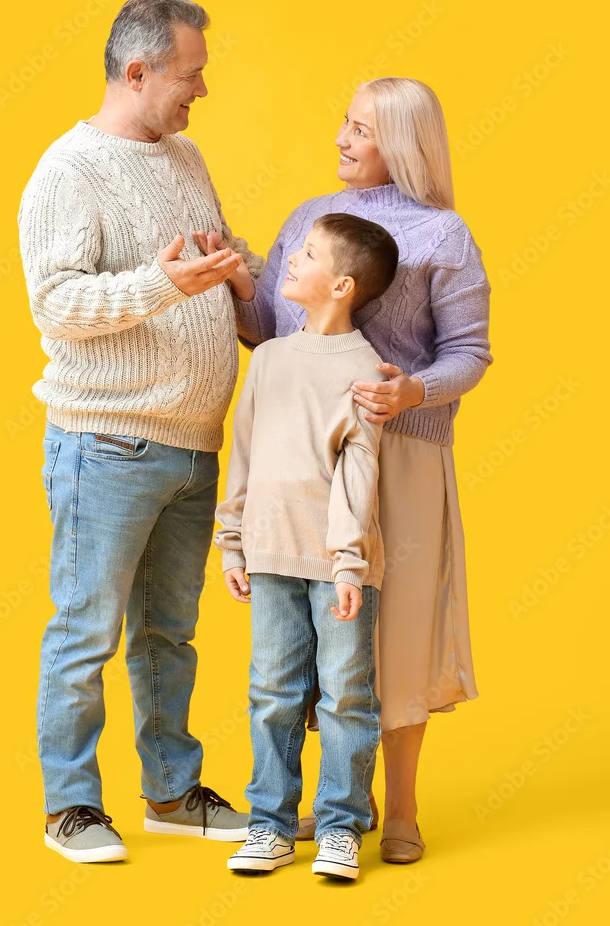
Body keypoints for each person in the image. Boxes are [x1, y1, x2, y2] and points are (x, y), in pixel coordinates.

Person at [200, 76, 492, 862]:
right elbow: (273, 331)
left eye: (361, 129)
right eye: (345, 121)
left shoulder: (444, 236)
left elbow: (469, 353)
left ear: (401, 142)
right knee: (308, 636)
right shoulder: (309, 219)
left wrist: (411, 391)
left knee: (395, 634)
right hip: (304, 457)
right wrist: (240, 283)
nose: (341, 137)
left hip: (405, 457)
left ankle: (399, 809)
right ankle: (333, 806)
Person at [17, 0, 268, 863]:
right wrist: (165, 285)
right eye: (189, 75)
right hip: (108, 444)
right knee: (86, 631)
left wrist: (251, 281)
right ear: (136, 71)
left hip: (195, 444)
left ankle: (170, 793)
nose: (201, 90)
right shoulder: (67, 171)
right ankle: (70, 809)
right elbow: (56, 304)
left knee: (169, 635)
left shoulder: (184, 156)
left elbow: (219, 253)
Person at [214, 213, 399, 881]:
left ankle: (340, 828)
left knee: (346, 696)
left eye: (310, 253)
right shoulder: (268, 359)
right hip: (269, 555)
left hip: (338, 565)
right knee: (272, 692)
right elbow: (243, 454)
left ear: (342, 285)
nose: (290, 257)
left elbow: (359, 474)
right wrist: (232, 542)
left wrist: (348, 563)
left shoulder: (366, 372)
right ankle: (269, 826)